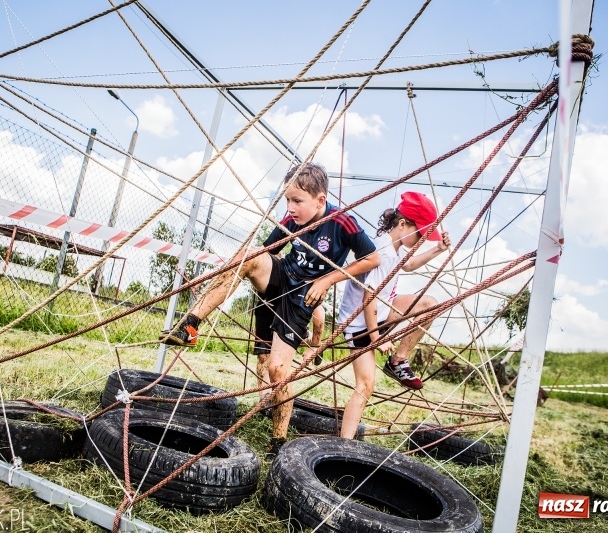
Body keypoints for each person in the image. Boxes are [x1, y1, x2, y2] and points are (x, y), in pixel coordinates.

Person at [160, 162, 379, 457]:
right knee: (249, 258)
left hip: (303, 296)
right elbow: (268, 251)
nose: (290, 207)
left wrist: (328, 280)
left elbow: (372, 258)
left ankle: (278, 441)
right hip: (282, 277)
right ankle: (190, 325)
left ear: (320, 200)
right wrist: (235, 273)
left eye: (297, 201)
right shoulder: (291, 220)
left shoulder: (342, 223)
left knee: (278, 370)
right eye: (287, 200)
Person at [337, 191, 451, 439]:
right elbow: (368, 297)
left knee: (429, 304)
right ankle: (344, 444)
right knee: (365, 385)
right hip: (360, 324)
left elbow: (408, 265)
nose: (422, 240)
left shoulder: (395, 247)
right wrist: (377, 338)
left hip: (382, 311)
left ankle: (398, 361)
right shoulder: (384, 252)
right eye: (420, 234)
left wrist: (438, 250)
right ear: (402, 224)